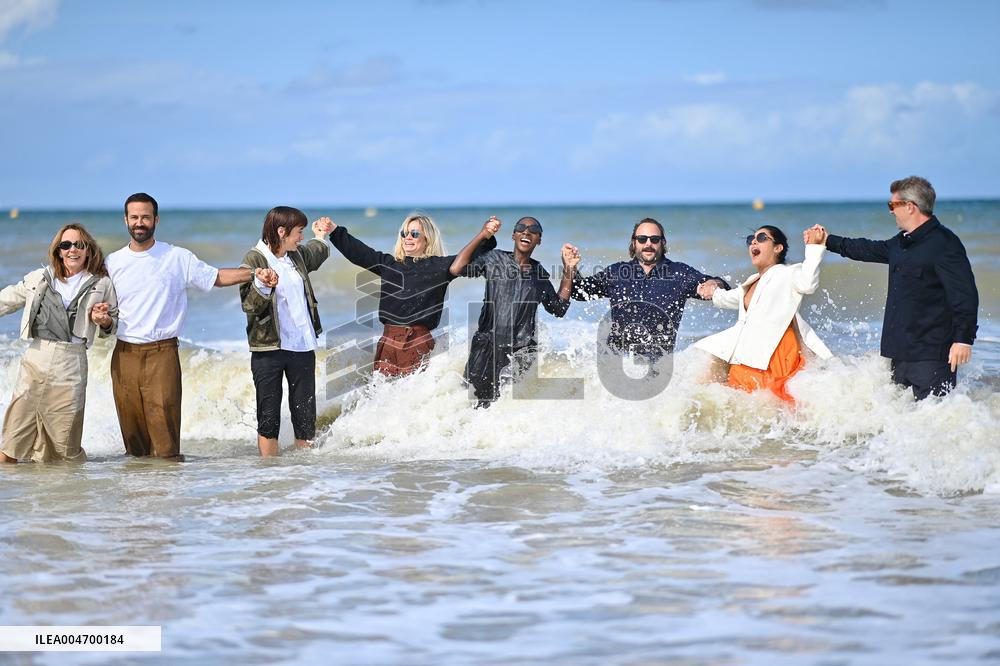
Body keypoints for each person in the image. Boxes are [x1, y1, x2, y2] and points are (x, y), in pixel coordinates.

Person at [106, 192, 271, 461]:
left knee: (165, 444)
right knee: (133, 443)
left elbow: (215, 277)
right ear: (125, 220)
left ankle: (167, 497)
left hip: (162, 355)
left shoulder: (176, 257)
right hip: (123, 356)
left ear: (156, 220)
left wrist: (253, 273)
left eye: (145, 217)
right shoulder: (112, 263)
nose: (139, 222)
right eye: (134, 217)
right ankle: (137, 498)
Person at [821, 176, 979, 399]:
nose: (891, 211)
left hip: (931, 355)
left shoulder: (944, 244)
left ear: (910, 206)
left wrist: (963, 339)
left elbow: (965, 295)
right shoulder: (902, 242)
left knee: (931, 421)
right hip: (900, 353)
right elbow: (868, 249)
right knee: (903, 424)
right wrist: (828, 241)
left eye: (892, 205)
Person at [0, 224, 118, 463]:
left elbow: (112, 323)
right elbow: (7, 299)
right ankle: (13, 491)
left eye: (79, 245)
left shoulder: (101, 283)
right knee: (12, 439)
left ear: (88, 250)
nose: (72, 249)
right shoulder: (40, 277)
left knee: (65, 445)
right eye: (66, 245)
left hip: (71, 364)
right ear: (58, 251)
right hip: (36, 358)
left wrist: (102, 319)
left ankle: (65, 496)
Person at [328, 213, 500, 376]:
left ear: (427, 239)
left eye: (414, 233)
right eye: (404, 233)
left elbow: (470, 256)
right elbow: (359, 252)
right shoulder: (389, 264)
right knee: (383, 396)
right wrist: (335, 230)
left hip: (418, 342)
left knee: (411, 396)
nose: (407, 237)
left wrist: (486, 235)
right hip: (388, 342)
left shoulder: (440, 266)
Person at [694, 225, 832, 403]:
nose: (753, 241)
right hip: (748, 355)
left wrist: (815, 247)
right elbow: (728, 298)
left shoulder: (788, 273)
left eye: (761, 238)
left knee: (772, 406)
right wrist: (712, 290)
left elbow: (808, 283)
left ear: (778, 248)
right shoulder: (752, 281)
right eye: (751, 239)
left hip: (775, 355)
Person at [239, 207, 331, 457]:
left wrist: (321, 235)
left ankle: (301, 473)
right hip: (269, 349)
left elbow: (315, 253)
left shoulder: (296, 255)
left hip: (301, 346)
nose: (301, 237)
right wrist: (263, 284)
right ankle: (269, 473)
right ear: (281, 232)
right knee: (269, 416)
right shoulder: (255, 259)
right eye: (298, 232)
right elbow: (249, 305)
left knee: (305, 416)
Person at [460, 217, 579, 407]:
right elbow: (458, 267)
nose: (526, 231)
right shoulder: (493, 259)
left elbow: (559, 308)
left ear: (539, 240)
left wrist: (568, 270)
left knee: (508, 413)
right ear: (513, 235)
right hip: (484, 350)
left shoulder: (539, 277)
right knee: (469, 406)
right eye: (521, 227)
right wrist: (483, 234)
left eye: (534, 230)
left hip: (518, 357)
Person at [571, 218, 729, 358]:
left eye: (654, 239)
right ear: (634, 242)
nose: (648, 244)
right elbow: (579, 292)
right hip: (616, 360)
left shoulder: (678, 273)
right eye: (642, 239)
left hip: (658, 365)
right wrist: (570, 268)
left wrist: (714, 284)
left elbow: (723, 288)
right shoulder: (617, 272)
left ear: (662, 243)